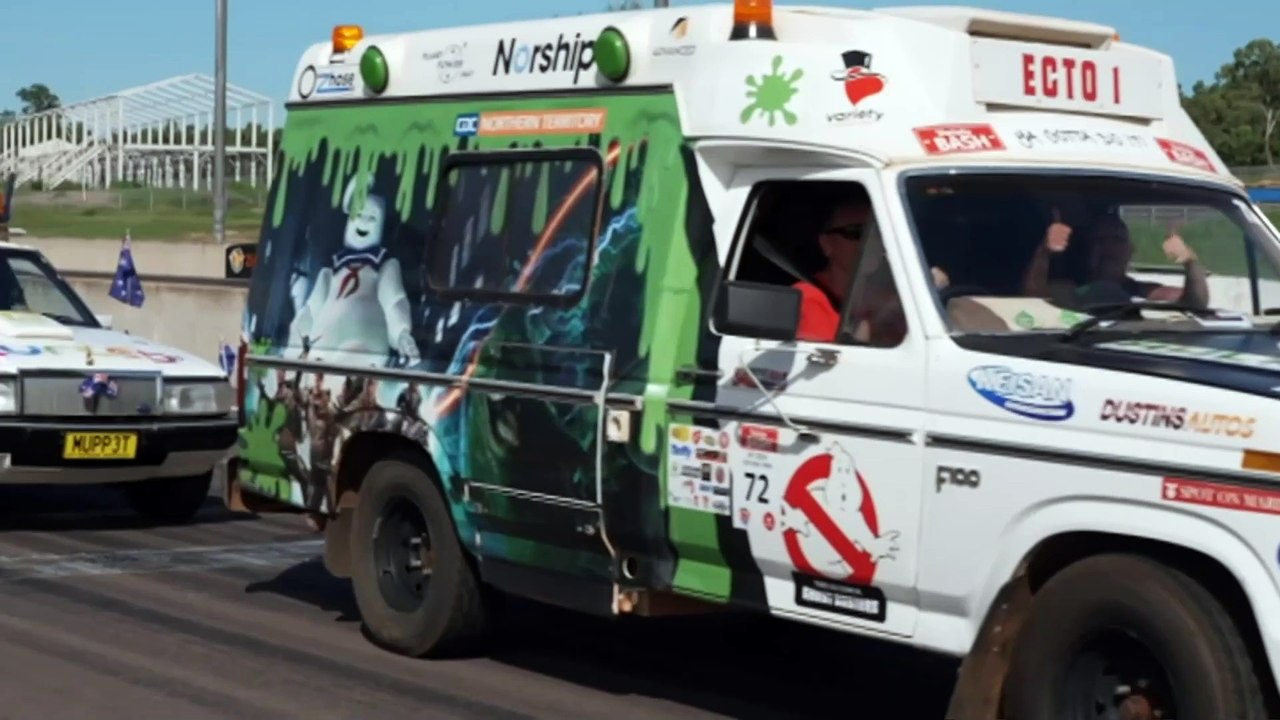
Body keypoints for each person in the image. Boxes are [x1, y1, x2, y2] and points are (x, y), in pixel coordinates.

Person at [793, 198, 948, 344]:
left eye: (878, 233)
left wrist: (928, 293)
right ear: (826, 244)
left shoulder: (892, 293)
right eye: (856, 232)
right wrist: (887, 312)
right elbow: (837, 365)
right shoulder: (807, 299)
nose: (870, 243)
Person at [1021, 210, 1209, 309]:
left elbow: (1196, 302)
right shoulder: (1070, 289)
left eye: (1117, 240)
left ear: (1131, 250)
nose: (1109, 247)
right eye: (1100, 241)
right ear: (1086, 249)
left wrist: (1189, 261)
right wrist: (1043, 252)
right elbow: (1034, 298)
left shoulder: (1138, 290)